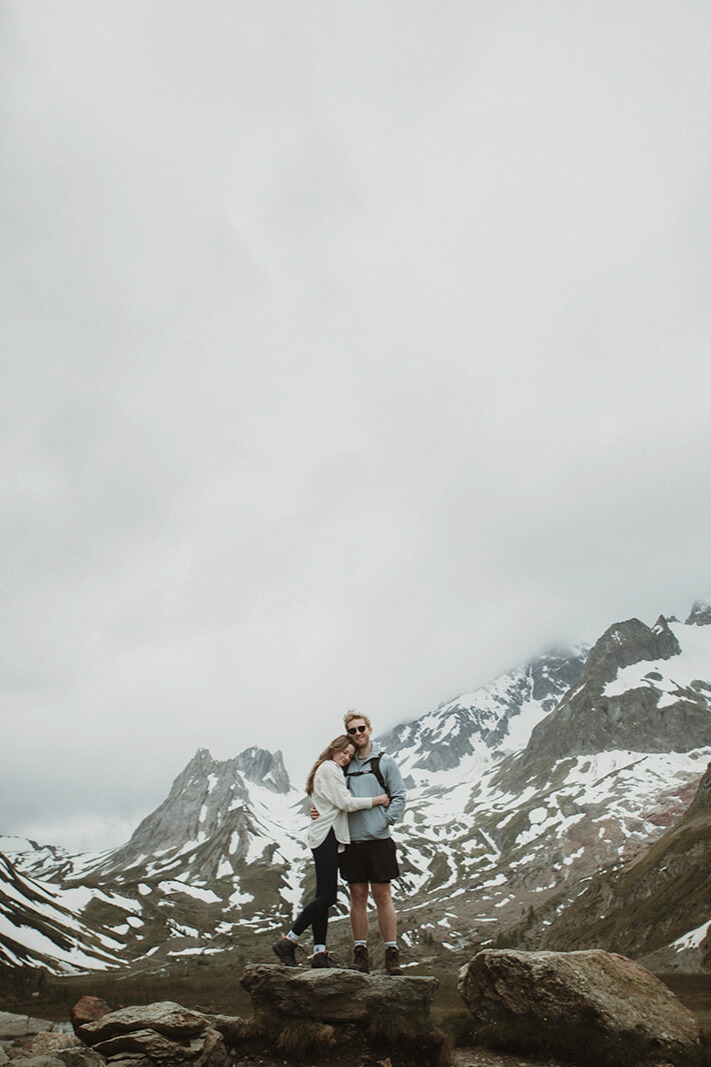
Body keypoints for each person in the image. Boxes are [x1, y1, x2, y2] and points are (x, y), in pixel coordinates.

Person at [272, 734, 390, 969]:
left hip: (329, 835)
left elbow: (331, 802)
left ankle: (319, 953)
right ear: (333, 749)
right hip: (326, 835)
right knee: (328, 897)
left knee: (322, 898)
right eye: (343, 752)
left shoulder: (329, 769)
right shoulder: (329, 768)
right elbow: (345, 803)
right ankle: (289, 942)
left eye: (350, 755)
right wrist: (378, 800)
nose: (346, 758)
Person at [337, 710, 407, 975]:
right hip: (352, 841)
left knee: (382, 896)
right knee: (357, 896)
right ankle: (360, 954)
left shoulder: (384, 762)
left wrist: (386, 820)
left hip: (379, 840)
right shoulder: (343, 764)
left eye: (361, 728)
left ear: (370, 729)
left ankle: (392, 953)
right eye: (352, 731)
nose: (358, 734)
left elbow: (399, 795)